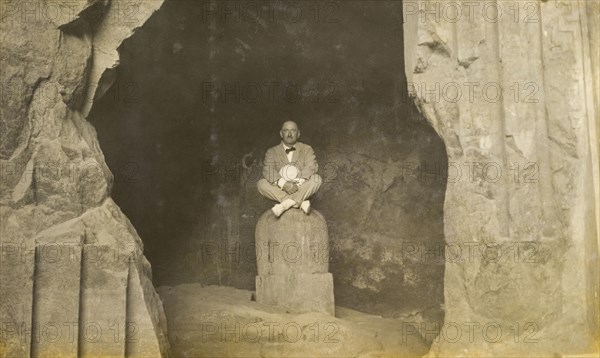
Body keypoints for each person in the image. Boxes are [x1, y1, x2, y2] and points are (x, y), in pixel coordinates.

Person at [257, 121, 322, 217]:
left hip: (301, 186)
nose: (290, 134)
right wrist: (284, 184)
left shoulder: (306, 149)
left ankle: (286, 204)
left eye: (293, 131)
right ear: (281, 133)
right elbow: (268, 170)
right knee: (261, 183)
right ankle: (300, 202)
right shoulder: (272, 151)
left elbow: (311, 166)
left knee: (317, 179)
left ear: (298, 134)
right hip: (280, 189)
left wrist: (298, 182)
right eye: (286, 130)